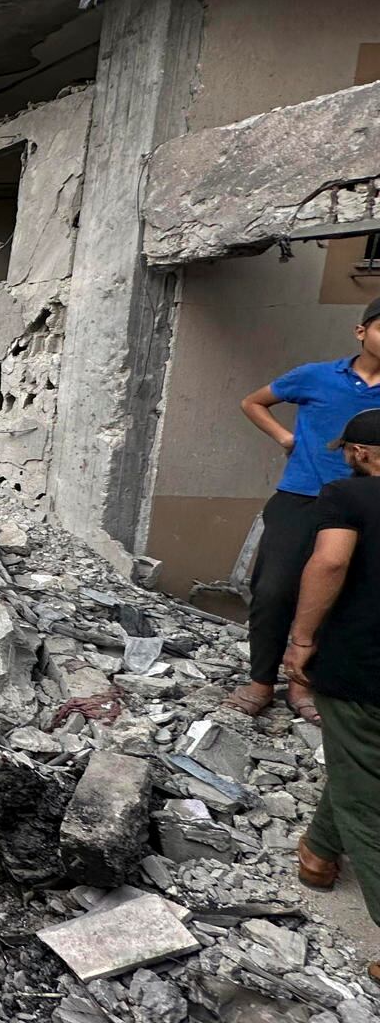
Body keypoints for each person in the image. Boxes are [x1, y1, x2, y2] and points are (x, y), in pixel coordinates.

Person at [235, 298, 380, 722]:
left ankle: (303, 686)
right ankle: (261, 681)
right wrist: (285, 438)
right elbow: (253, 402)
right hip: (302, 496)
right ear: (360, 332)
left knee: (341, 595)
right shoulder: (315, 376)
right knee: (273, 588)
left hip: (364, 505)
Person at [280, 407, 380, 975]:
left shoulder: (348, 495)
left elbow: (331, 560)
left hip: (362, 667)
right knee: (356, 759)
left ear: (362, 454)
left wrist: (301, 639)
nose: (344, 456)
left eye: (349, 449)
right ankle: (318, 856)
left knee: (366, 797)